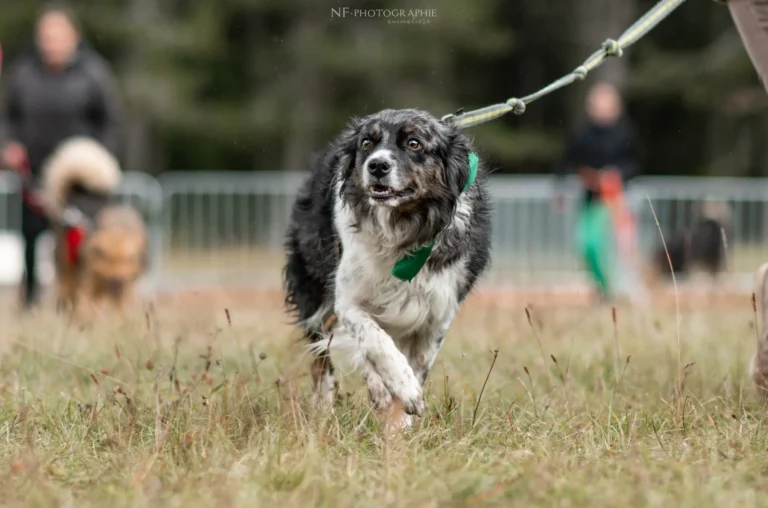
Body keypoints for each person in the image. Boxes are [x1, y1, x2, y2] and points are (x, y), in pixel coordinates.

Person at [0, 3, 123, 310]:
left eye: (57, 34)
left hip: (79, 180)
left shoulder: (94, 73)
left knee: (77, 242)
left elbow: (111, 121)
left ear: (74, 36)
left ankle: (76, 301)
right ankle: (29, 301)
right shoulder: (23, 72)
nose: (50, 41)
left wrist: (98, 159)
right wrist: (8, 145)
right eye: (45, 34)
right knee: (31, 236)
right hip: (35, 172)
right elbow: (7, 118)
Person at [555, 81, 643, 302]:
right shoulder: (581, 132)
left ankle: (627, 290)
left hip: (618, 199)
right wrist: (561, 187)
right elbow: (566, 161)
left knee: (622, 249)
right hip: (591, 199)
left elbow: (637, 163)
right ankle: (604, 289)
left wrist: (616, 174)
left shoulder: (625, 132)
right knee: (588, 244)